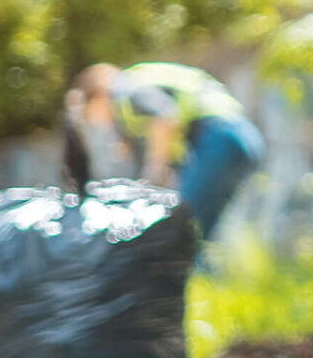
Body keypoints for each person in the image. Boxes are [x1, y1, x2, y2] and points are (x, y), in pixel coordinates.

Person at [65, 62, 265, 250]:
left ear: (99, 95)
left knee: (184, 221)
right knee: (201, 225)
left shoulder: (125, 89)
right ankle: (202, 280)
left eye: (92, 115)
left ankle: (185, 281)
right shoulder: (130, 99)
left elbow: (164, 115)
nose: (98, 123)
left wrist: (155, 171)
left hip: (220, 135)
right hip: (242, 137)